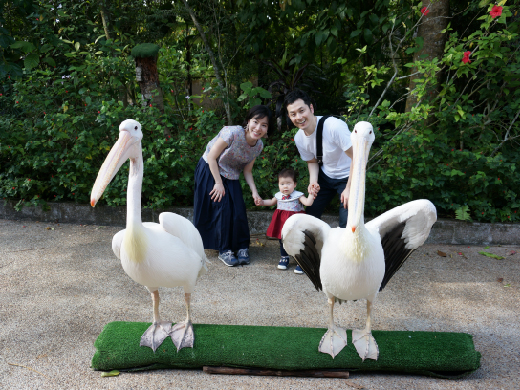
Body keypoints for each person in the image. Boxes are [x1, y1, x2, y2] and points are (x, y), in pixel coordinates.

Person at [193, 105, 272, 267]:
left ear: (267, 128)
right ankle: (224, 250)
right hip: (210, 168)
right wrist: (218, 183)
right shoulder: (233, 133)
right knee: (223, 208)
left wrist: (254, 192)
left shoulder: (258, 145)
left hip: (231, 172)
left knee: (238, 210)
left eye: (264, 125)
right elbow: (212, 157)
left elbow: (247, 171)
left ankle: (242, 247)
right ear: (248, 121)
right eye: (255, 122)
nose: (258, 128)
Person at [284, 89, 353, 230]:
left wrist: (349, 187)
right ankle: (313, 250)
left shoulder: (334, 126)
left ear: (311, 108)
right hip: (325, 176)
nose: (299, 117)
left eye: (301, 110)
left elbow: (358, 158)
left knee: (348, 222)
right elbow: (312, 161)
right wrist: (313, 182)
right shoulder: (299, 137)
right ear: (290, 117)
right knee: (309, 216)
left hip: (349, 175)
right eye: (293, 114)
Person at [255, 168, 314, 273]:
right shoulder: (278, 196)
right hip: (282, 222)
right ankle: (284, 257)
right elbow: (271, 202)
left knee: (297, 240)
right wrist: (262, 202)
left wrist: (312, 194)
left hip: (295, 223)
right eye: (282, 184)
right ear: (278, 185)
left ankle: (300, 260)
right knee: (282, 239)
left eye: (288, 183)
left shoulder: (298, 196)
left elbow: (308, 203)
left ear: (295, 184)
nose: (285, 186)